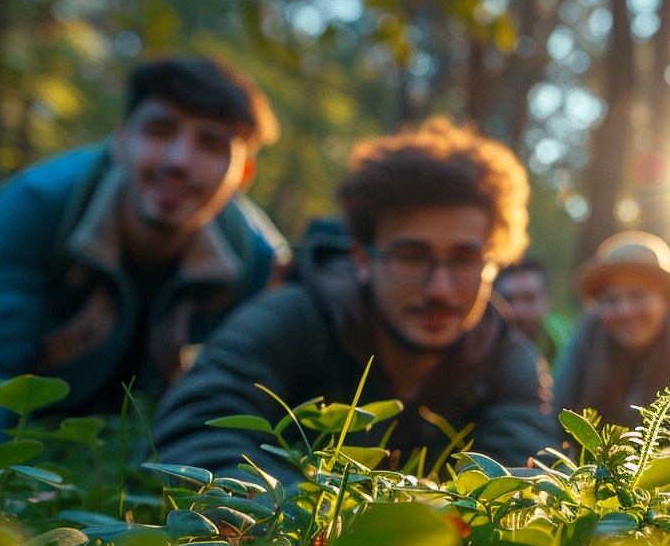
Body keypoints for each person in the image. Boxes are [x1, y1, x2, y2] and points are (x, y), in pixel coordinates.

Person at [151, 118, 556, 479]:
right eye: (411, 258)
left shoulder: (508, 362)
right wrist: (320, 522)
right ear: (362, 258)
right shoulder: (295, 318)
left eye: (466, 260)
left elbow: (521, 483)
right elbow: (195, 430)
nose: (440, 290)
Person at [0, 56, 285, 445]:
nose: (179, 161)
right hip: (34, 429)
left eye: (211, 143)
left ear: (244, 174)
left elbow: (241, 401)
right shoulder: (34, 208)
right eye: (159, 130)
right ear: (119, 143)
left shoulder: (258, 263)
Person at [554, 232, 670, 432]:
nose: (625, 311)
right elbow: (554, 411)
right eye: (612, 300)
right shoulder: (590, 333)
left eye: (637, 296)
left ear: (667, 300)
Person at [496, 259, 573, 365]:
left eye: (529, 298)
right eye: (508, 299)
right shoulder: (481, 347)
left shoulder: (566, 341)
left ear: (547, 301)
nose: (518, 312)